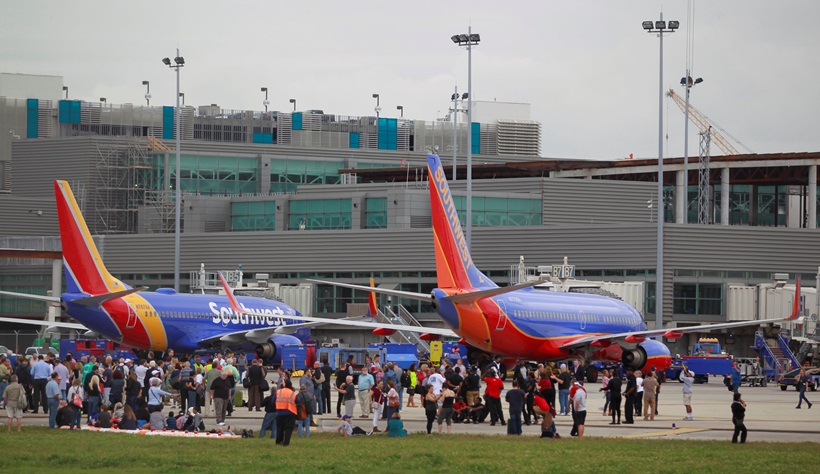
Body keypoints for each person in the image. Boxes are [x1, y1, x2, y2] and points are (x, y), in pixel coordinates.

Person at [275, 380, 297, 446]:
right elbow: (298, 400)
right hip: (290, 412)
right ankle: (286, 443)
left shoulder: (278, 392)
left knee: (280, 428)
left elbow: (273, 400)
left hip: (279, 413)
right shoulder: (293, 393)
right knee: (288, 429)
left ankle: (279, 441)